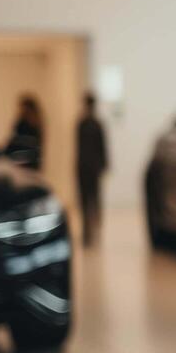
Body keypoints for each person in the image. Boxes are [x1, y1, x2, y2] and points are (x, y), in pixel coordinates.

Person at [75, 92, 109, 247]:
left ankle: (92, 230)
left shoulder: (90, 124)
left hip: (89, 167)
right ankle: (88, 231)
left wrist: (104, 164)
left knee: (91, 199)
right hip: (87, 167)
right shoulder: (86, 124)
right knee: (88, 200)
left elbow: (102, 147)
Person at [5, 94, 43, 170]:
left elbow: (18, 142)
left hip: (22, 163)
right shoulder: (34, 125)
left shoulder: (26, 125)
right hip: (24, 163)